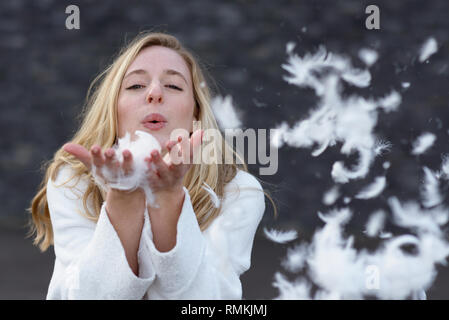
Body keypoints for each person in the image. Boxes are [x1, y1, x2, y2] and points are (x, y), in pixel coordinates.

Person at [28, 32, 275, 300]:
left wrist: (168, 199)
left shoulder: (238, 192)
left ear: (196, 113)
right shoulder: (73, 180)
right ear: (113, 108)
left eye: (173, 86)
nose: (155, 93)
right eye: (135, 86)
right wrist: (123, 198)